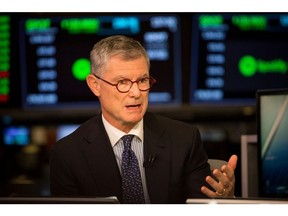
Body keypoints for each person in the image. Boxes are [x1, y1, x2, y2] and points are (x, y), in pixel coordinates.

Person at [50, 35, 238, 204]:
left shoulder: (185, 140)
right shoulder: (68, 154)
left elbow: (202, 207)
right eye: (122, 82)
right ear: (95, 85)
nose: (136, 93)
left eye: (142, 81)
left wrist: (224, 202)